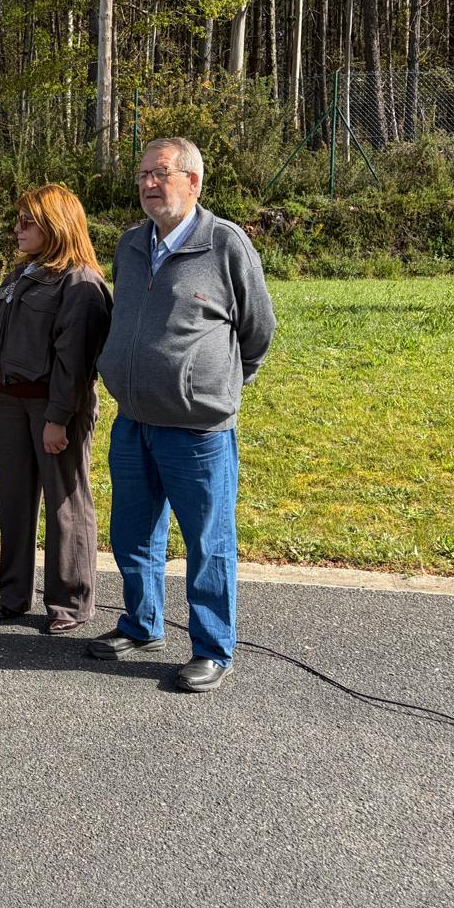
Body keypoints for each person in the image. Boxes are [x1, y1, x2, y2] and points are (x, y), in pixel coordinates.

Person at [91, 137, 275, 693]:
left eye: (161, 173)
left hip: (197, 430)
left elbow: (257, 329)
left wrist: (216, 385)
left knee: (207, 542)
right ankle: (141, 625)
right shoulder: (130, 245)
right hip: (134, 421)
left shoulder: (225, 244)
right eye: (143, 174)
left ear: (192, 181)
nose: (149, 183)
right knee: (133, 534)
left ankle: (213, 648)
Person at [0, 184, 112, 635]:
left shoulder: (80, 283)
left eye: (28, 222)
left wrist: (58, 418)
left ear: (56, 225)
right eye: (17, 220)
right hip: (11, 402)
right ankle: (13, 595)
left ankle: (69, 603)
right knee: (14, 502)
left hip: (53, 408)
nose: (17, 229)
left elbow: (75, 360)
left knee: (65, 505)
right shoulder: (22, 272)